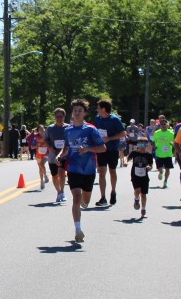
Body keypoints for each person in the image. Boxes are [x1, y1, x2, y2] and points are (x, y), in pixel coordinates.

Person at [56, 98, 106, 243]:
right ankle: (78, 230)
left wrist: (88, 149)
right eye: (75, 111)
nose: (77, 113)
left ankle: (85, 203)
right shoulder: (68, 130)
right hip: (73, 168)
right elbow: (66, 147)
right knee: (76, 198)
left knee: (85, 201)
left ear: (84, 113)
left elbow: (103, 148)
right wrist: (60, 155)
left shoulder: (91, 129)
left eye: (80, 111)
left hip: (89, 169)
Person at [94, 98, 125, 206]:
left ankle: (113, 191)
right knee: (101, 173)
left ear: (103, 109)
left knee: (112, 171)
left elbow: (123, 134)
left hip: (112, 149)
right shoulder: (97, 118)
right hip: (101, 149)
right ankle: (103, 197)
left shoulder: (114, 119)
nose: (97, 110)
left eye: (98, 108)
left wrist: (110, 138)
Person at [45, 108, 68, 203]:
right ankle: (58, 192)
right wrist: (49, 147)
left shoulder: (68, 128)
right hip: (53, 155)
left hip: (64, 154)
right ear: (54, 117)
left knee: (62, 172)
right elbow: (45, 139)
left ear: (64, 117)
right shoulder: (50, 128)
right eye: (57, 117)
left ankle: (62, 191)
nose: (59, 118)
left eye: (61, 117)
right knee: (54, 175)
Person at [127, 138, 154, 218]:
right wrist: (125, 162)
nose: (141, 147)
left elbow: (150, 165)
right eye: (140, 144)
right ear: (137, 145)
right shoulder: (134, 153)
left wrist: (149, 167)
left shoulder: (148, 155)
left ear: (146, 145)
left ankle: (143, 209)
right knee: (137, 190)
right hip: (135, 175)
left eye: (143, 145)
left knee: (143, 194)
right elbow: (127, 158)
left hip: (144, 176)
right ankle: (136, 199)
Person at [151, 116, 175, 189]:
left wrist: (172, 143)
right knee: (160, 168)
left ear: (167, 125)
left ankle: (165, 181)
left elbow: (174, 142)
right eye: (162, 124)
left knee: (167, 168)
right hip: (159, 153)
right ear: (160, 125)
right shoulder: (157, 133)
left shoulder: (171, 133)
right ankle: (161, 172)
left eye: (165, 124)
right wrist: (154, 146)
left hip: (168, 153)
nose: (163, 125)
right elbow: (153, 141)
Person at [32, 125, 49, 189]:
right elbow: (32, 147)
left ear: (45, 129)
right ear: (38, 131)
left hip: (46, 154)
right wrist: (37, 145)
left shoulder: (47, 137)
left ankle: (45, 175)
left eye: (42, 129)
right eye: (40, 129)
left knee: (42, 164)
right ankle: (41, 181)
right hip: (38, 155)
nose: (42, 130)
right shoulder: (36, 138)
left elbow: (51, 144)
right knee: (40, 168)